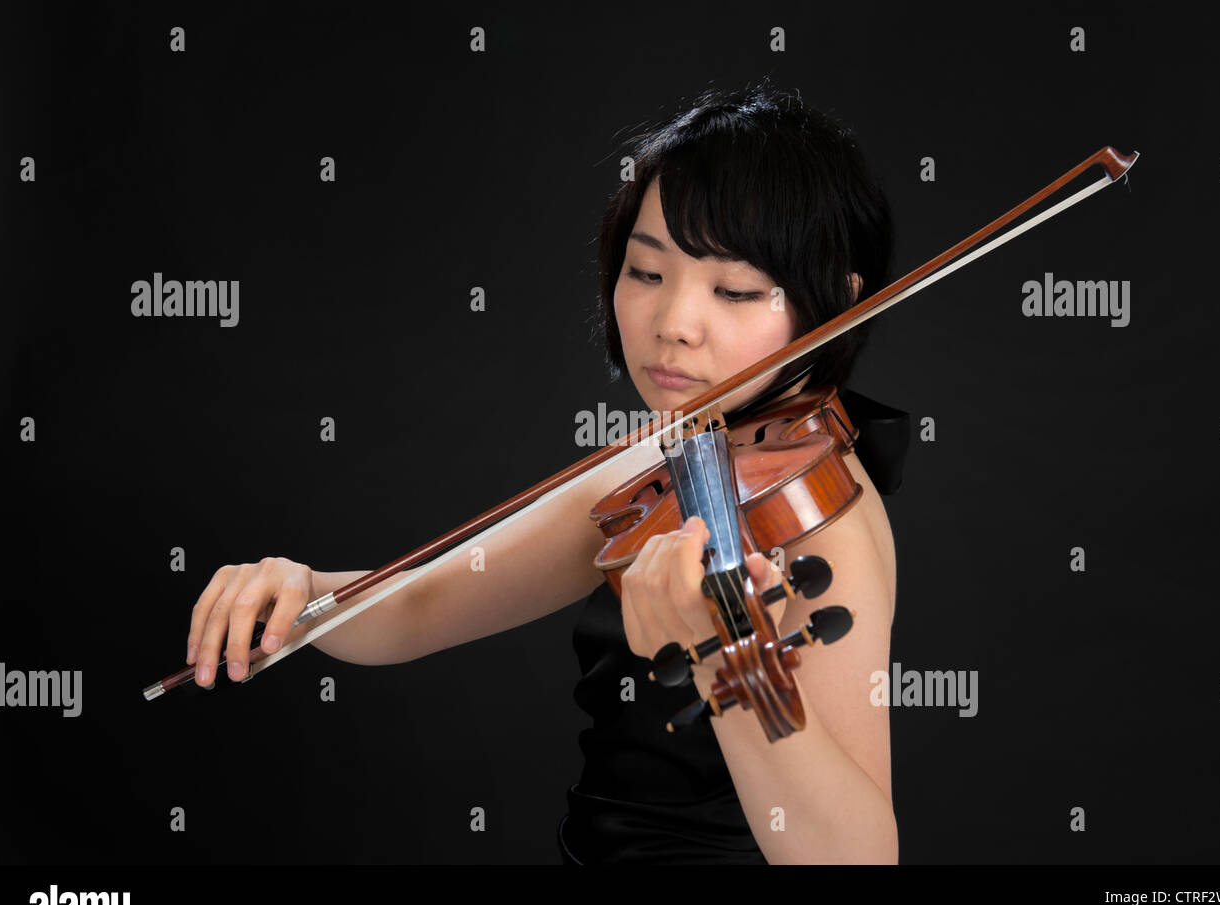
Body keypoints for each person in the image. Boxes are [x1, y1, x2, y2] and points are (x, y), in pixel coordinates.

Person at [184, 80, 908, 864]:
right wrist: (304, 595)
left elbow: (855, 856)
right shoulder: (662, 467)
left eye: (733, 289)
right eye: (646, 271)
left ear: (836, 306)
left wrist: (723, 653)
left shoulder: (822, 519)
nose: (672, 325)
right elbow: (422, 604)